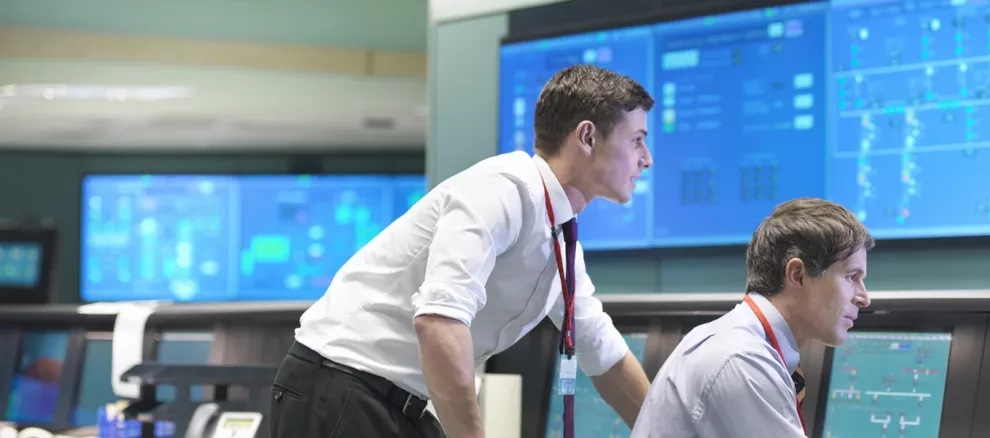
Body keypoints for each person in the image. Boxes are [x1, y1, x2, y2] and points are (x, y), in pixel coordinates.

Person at [267, 64, 656, 438]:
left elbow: (604, 356)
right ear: (587, 137)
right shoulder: (501, 191)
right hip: (339, 385)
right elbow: (438, 323)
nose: (646, 159)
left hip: (395, 401)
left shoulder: (559, 238)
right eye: (637, 139)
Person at [631, 198, 874, 437]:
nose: (864, 298)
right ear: (798, 275)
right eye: (851, 277)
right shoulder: (742, 359)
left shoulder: (741, 343)